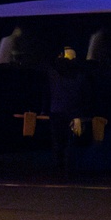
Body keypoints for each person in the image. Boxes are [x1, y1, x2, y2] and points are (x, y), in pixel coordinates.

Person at [45, 46, 92, 179]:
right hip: (73, 113)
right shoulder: (80, 75)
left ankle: (58, 170)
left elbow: (47, 92)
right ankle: (69, 171)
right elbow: (85, 97)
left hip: (56, 112)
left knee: (58, 143)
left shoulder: (53, 73)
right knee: (70, 144)